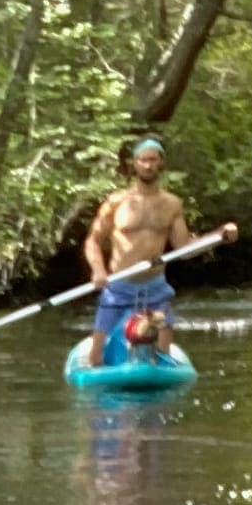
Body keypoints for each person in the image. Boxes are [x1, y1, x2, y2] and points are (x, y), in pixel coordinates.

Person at [80, 135, 232, 359]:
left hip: (155, 291)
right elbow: (92, 241)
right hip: (118, 289)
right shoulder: (116, 202)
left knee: (162, 356)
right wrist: (98, 270)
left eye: (153, 160)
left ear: (161, 163)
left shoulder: (172, 204)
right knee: (96, 358)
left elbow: (184, 249)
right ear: (134, 163)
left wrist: (219, 236)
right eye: (143, 160)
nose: (148, 165)